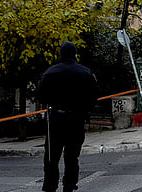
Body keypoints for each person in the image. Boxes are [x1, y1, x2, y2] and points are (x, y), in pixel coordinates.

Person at [36, 41, 98, 192]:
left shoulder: (50, 72)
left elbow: (40, 96)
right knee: (72, 157)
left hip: (56, 120)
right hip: (76, 119)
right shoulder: (85, 72)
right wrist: (84, 110)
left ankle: (50, 185)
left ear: (61, 54)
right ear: (75, 54)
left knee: (52, 157)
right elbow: (93, 96)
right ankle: (69, 185)